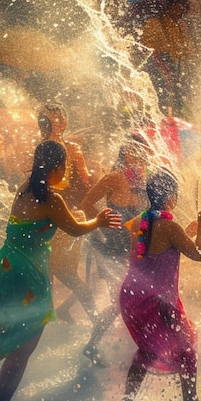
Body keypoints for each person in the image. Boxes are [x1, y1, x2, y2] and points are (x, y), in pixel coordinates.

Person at [0, 140, 121, 401]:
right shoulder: (52, 199)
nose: (65, 172)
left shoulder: (25, 186)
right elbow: (74, 229)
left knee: (10, 336)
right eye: (64, 167)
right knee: (23, 346)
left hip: (5, 267)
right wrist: (99, 221)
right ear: (57, 167)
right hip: (27, 274)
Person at [116, 169, 201, 401]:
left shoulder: (140, 222)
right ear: (170, 197)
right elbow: (199, 254)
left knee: (147, 350)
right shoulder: (169, 227)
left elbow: (157, 246)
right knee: (186, 346)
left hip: (133, 296)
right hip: (157, 301)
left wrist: (186, 231)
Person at [80, 134, 150, 365]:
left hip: (135, 244)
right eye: (134, 149)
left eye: (142, 149)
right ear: (125, 152)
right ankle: (92, 345)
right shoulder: (113, 177)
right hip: (113, 246)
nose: (139, 154)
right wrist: (102, 225)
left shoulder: (143, 179)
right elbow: (87, 203)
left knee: (137, 296)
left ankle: (143, 344)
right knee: (119, 301)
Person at [37, 103, 98, 323]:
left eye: (59, 120)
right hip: (43, 215)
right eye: (49, 120)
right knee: (45, 270)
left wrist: (94, 173)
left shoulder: (72, 149)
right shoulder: (39, 148)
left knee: (68, 271)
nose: (56, 124)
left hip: (65, 213)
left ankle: (96, 318)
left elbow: (87, 180)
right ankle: (48, 317)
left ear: (65, 123)